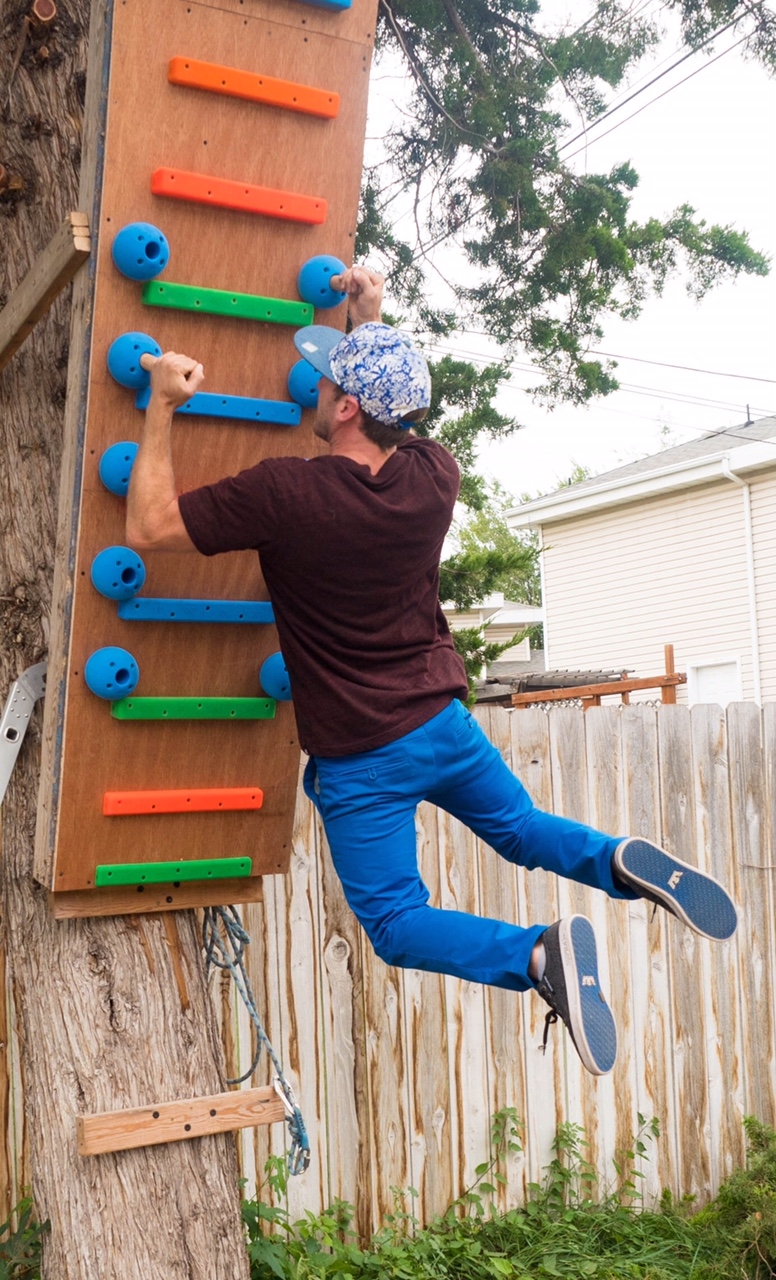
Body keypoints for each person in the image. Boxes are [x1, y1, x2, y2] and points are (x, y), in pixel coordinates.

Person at [127, 266, 738, 1078]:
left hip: (363, 758)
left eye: (326, 377)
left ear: (346, 406)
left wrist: (162, 402)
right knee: (522, 833)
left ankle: (535, 955)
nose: (314, 383)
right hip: (440, 725)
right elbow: (391, 410)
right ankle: (619, 859)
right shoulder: (433, 478)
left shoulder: (286, 494)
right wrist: (369, 318)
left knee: (397, 922)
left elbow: (150, 525)